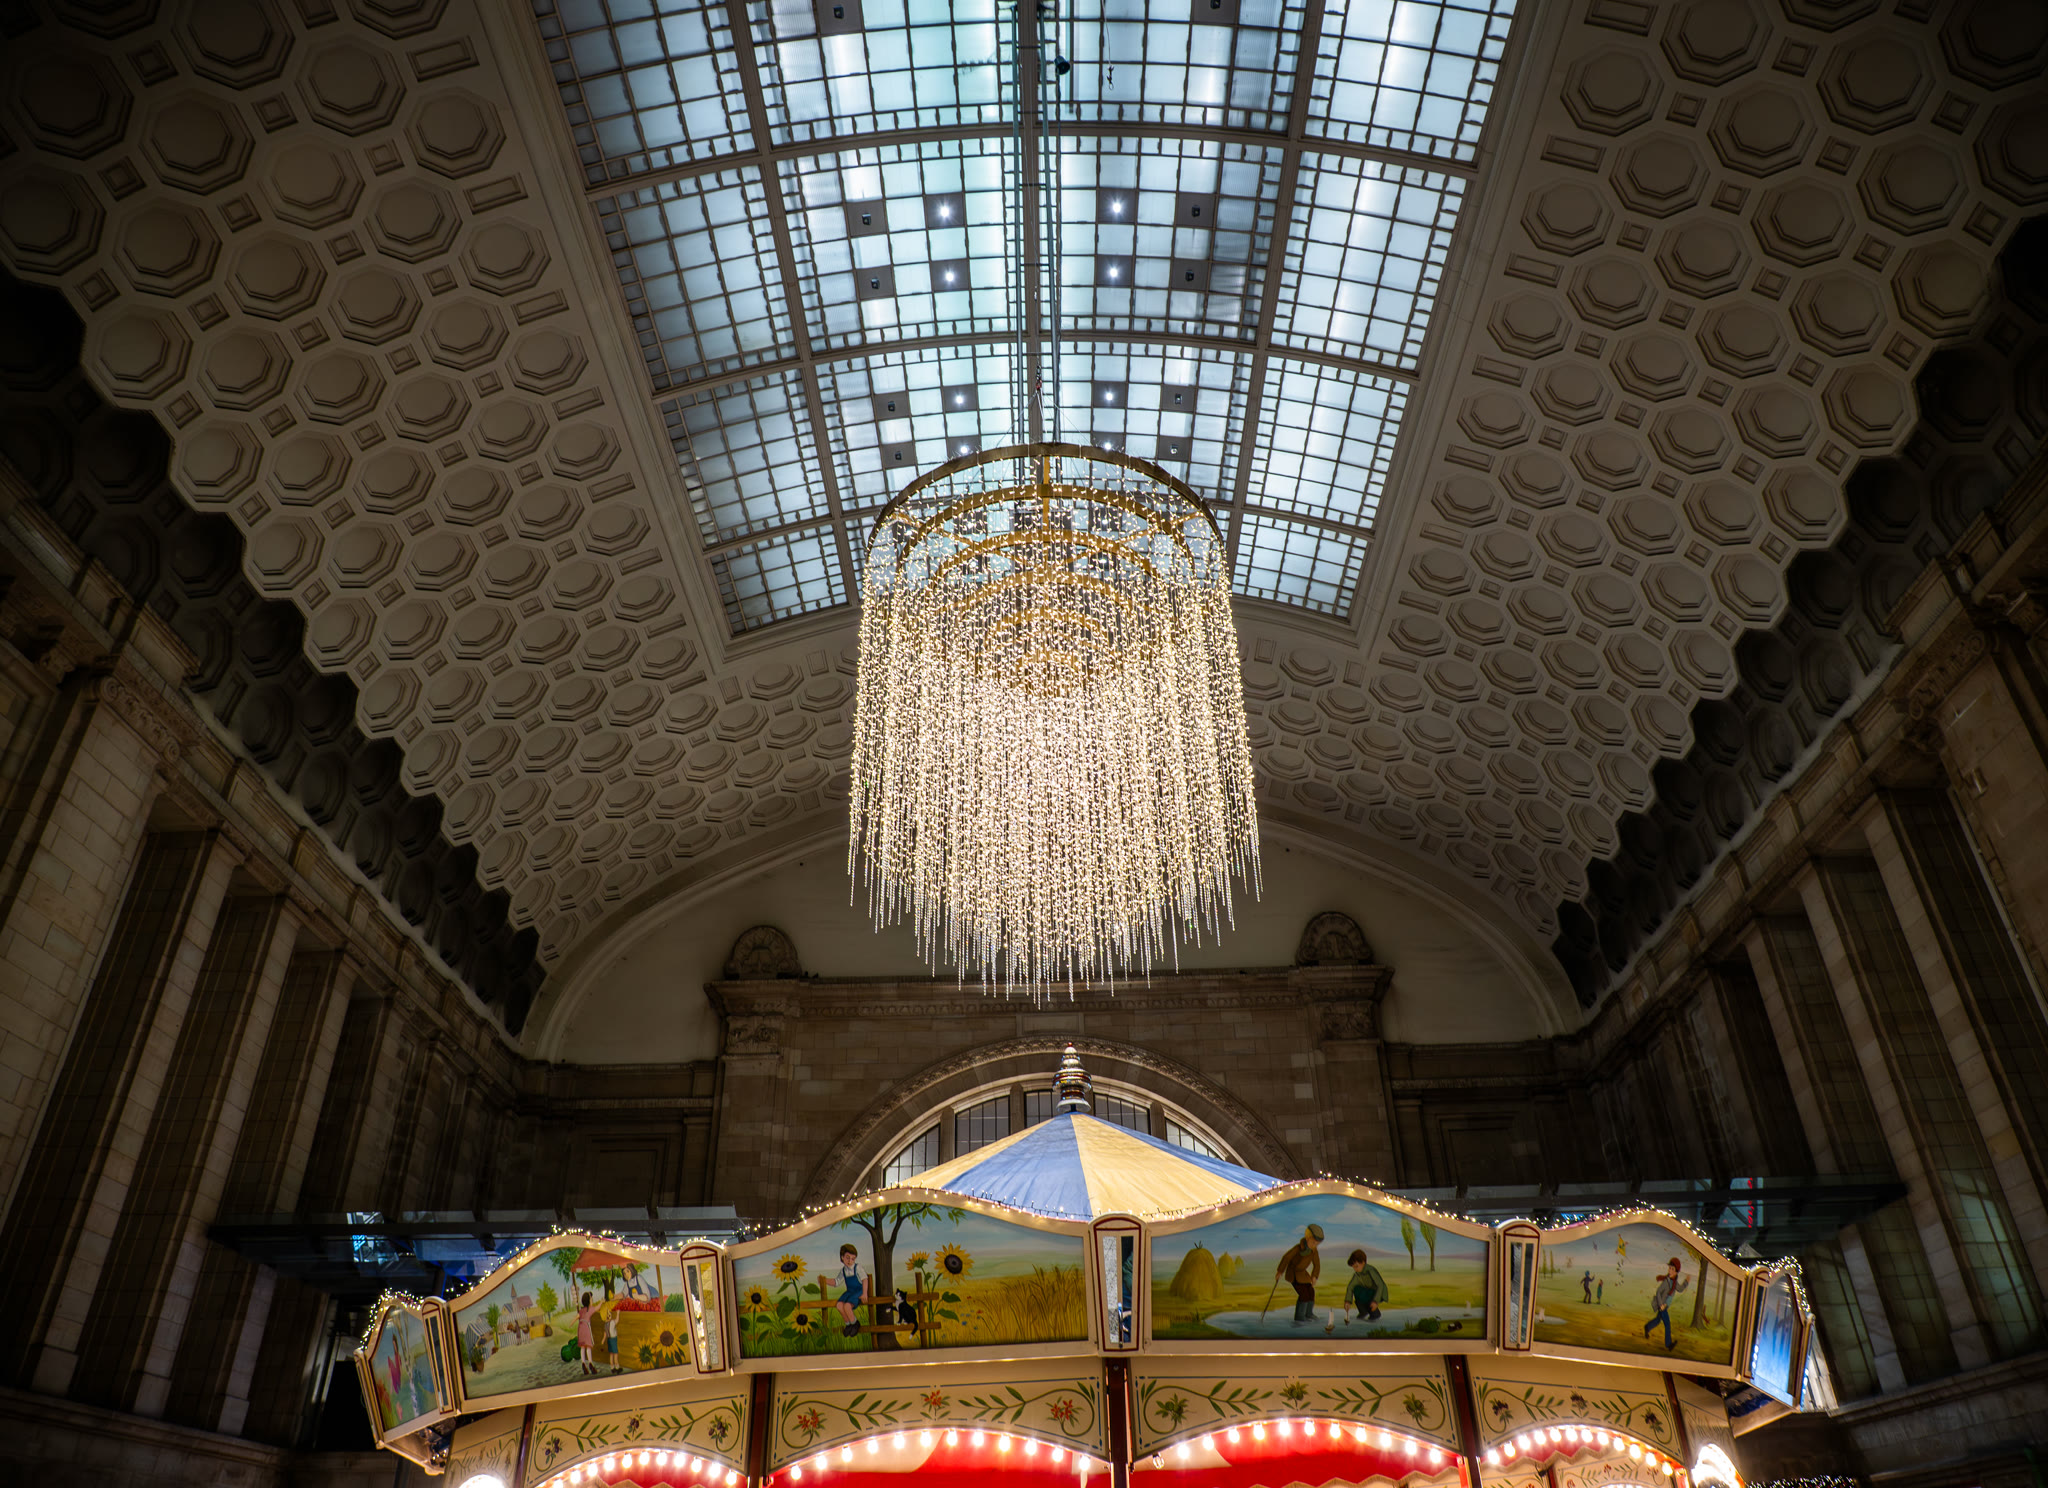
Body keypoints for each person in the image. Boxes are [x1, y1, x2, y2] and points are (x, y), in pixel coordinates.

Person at [1275, 1224, 1324, 1325]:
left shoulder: (1314, 1251)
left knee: (1311, 1292)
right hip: (1293, 1274)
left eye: (1317, 1244)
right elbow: (1286, 1258)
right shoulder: (1298, 1248)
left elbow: (1317, 1264)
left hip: (1303, 1274)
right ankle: (1300, 1317)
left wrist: (1314, 1276)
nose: (1315, 1245)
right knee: (1304, 1294)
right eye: (1313, 1242)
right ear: (1307, 1238)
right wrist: (1280, 1271)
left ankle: (1309, 1314)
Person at [1643, 1257, 1691, 1350]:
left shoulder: (1674, 1282)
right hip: (1662, 1306)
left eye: (1672, 1269)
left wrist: (1686, 1282)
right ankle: (1668, 1344)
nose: (1670, 1270)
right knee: (1667, 1324)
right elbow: (1658, 1292)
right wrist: (1661, 1304)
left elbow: (1680, 1289)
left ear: (1676, 1271)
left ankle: (1647, 1327)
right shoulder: (1667, 1281)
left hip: (1665, 1306)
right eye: (1669, 1268)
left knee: (1658, 1320)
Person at [1338, 1248, 1388, 1327]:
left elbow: (1380, 1285)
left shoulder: (1370, 1270)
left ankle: (1375, 1313)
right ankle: (1363, 1311)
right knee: (1357, 1289)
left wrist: (1375, 1301)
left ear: (1363, 1262)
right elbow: (1350, 1287)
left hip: (1378, 1293)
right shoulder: (1357, 1274)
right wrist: (1348, 1301)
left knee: (1366, 1295)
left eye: (1356, 1266)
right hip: (1368, 1292)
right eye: (1353, 1267)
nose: (1355, 1269)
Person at [834, 1243, 868, 1337]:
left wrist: (865, 1293)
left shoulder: (858, 1267)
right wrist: (824, 1280)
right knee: (839, 1305)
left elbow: (865, 1279)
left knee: (847, 1306)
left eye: (853, 1259)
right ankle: (848, 1325)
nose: (850, 1261)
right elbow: (836, 1282)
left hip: (858, 1291)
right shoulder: (843, 1271)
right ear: (842, 1257)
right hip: (850, 1292)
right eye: (847, 1258)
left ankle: (855, 1323)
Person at [576, 1291, 597, 1375]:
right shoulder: (590, 1309)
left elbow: (578, 1317)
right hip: (586, 1329)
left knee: (582, 1347)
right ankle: (590, 1363)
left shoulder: (581, 1310)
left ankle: (583, 1363)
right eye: (591, 1299)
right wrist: (602, 1302)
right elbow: (597, 1308)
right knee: (588, 1346)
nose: (592, 1300)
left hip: (580, 1329)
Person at [605, 1306, 621, 1373]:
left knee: (611, 1354)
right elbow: (617, 1320)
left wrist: (603, 1339)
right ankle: (617, 1367)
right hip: (613, 1339)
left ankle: (612, 1367)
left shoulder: (606, 1324)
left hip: (609, 1339)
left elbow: (605, 1333)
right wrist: (618, 1313)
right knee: (615, 1353)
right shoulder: (612, 1322)